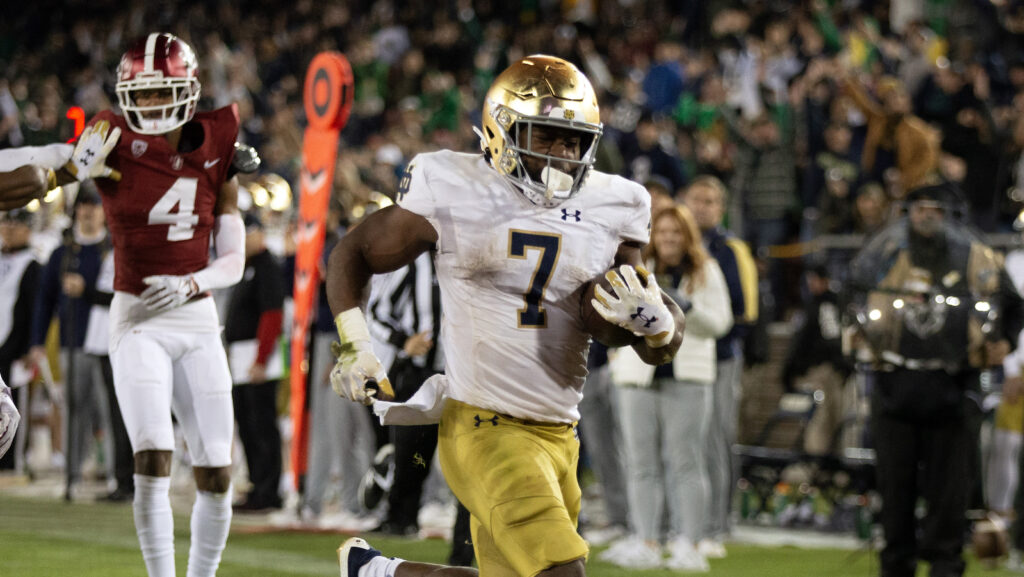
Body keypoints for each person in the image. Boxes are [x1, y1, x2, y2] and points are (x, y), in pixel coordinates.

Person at [326, 55, 684, 577]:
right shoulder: (452, 183)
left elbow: (649, 337)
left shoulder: (616, 203)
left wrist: (659, 325)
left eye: (573, 140)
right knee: (563, 572)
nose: (562, 154)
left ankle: (379, 572)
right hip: (484, 425)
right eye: (544, 136)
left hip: (561, 432)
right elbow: (353, 251)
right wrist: (355, 343)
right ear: (501, 130)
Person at [49, 33, 249, 577]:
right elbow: (68, 173)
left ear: (188, 90)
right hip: (137, 316)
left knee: (216, 467)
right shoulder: (112, 136)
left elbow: (234, 258)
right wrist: (72, 165)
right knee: (153, 456)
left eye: (165, 93)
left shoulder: (219, 142)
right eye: (146, 94)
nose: (155, 106)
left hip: (198, 315)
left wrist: (192, 283)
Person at [847, 182, 1024, 577]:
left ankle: (945, 566)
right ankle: (896, 566)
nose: (927, 215)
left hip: (954, 389)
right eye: (919, 208)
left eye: (936, 209)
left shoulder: (976, 256)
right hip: (895, 387)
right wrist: (856, 330)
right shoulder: (885, 253)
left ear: (948, 215)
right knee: (895, 492)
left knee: (950, 495)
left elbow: (1014, 306)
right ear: (908, 212)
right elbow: (851, 289)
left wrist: (1005, 343)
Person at [603, 205, 733, 570]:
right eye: (662, 232)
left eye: (676, 232)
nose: (669, 239)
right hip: (638, 376)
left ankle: (689, 542)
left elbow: (721, 323)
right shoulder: (639, 270)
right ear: (651, 235)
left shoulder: (706, 270)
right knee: (641, 463)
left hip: (687, 377)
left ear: (687, 235)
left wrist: (687, 306)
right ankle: (645, 539)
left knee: (685, 462)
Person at [682, 175, 758, 558]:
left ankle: (718, 521)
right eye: (697, 199)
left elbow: (744, 310)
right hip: (683, 358)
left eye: (710, 201)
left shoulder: (730, 249)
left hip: (721, 356)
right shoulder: (675, 244)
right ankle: (684, 522)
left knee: (715, 440)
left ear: (722, 208)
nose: (702, 207)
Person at [28, 186, 112, 493]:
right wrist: (37, 340)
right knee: (75, 408)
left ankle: (113, 471)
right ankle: (73, 472)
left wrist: (85, 291)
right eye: (83, 205)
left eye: (94, 205)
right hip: (72, 339)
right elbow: (45, 300)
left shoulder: (112, 248)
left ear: (104, 210)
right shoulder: (62, 253)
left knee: (107, 409)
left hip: (106, 343)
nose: (88, 211)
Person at [225, 212, 284, 512]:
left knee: (262, 425)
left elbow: (273, 315)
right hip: (242, 358)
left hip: (257, 357)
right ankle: (256, 485)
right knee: (248, 425)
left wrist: (262, 359)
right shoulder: (246, 266)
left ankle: (269, 490)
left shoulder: (266, 266)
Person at [0, 208, 39, 468]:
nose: (10, 229)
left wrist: (29, 347)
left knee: (12, 407)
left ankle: (14, 462)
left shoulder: (33, 264)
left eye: (16, 224)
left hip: (13, 347)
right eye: (7, 223)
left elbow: (35, 308)